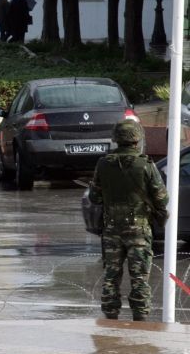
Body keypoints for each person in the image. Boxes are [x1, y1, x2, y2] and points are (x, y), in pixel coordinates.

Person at [89, 120, 169, 322]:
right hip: (138, 230)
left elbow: (94, 197)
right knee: (140, 277)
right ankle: (140, 317)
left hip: (112, 229)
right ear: (137, 139)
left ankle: (110, 315)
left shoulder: (104, 164)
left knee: (111, 276)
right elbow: (162, 197)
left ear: (116, 139)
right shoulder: (145, 164)